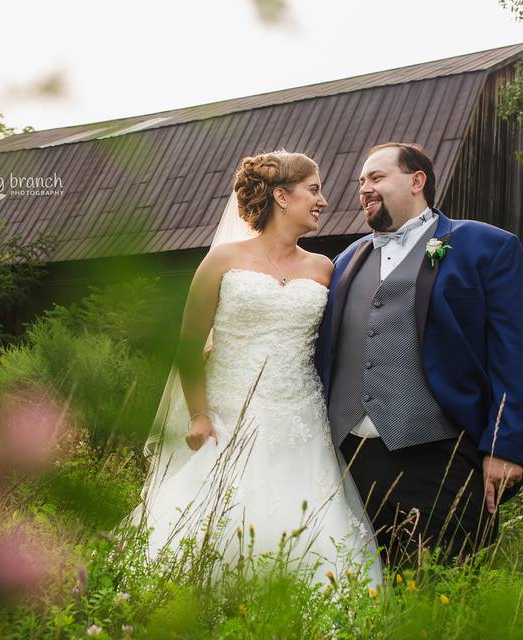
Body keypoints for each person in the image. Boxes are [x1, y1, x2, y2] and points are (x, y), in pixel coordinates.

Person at [124, 150, 382, 588]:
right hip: (227, 415)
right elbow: (188, 346)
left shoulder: (325, 270)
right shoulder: (222, 261)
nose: (323, 201)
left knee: (304, 524)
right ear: (282, 196)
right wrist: (199, 414)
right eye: (313, 190)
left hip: (300, 419)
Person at [315, 142, 523, 566]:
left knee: (443, 586)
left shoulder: (486, 246)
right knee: (358, 589)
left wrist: (506, 445)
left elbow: (517, 355)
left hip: (439, 452)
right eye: (361, 181)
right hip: (347, 458)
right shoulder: (345, 261)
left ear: (417, 180)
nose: (364, 188)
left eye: (376, 178)